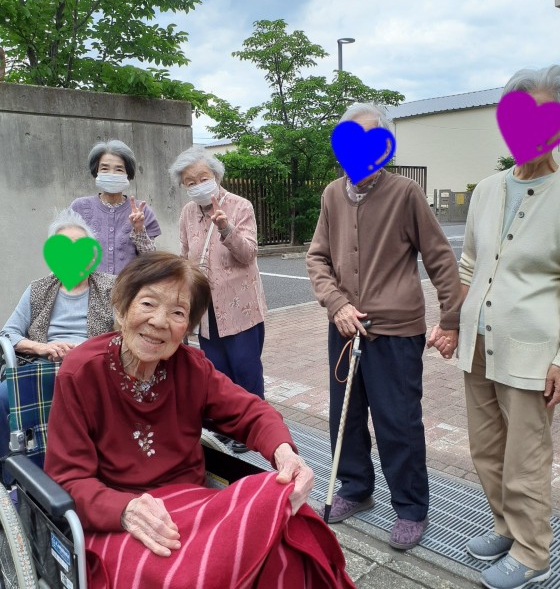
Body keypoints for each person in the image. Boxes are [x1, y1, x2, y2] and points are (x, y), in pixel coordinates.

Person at [44, 252, 354, 588]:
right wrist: (125, 509)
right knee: (180, 578)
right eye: (148, 304)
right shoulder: (81, 372)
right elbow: (68, 478)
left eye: (177, 312)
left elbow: (250, 412)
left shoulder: (192, 367)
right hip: (119, 517)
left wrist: (285, 453)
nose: (159, 321)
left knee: (285, 539)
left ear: (187, 328)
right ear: (121, 308)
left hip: (192, 505)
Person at [453, 65, 560, 589]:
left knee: (525, 458)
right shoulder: (488, 189)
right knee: (486, 449)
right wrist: (452, 323)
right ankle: (507, 528)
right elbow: (469, 265)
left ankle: (533, 553)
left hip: (533, 350)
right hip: (477, 343)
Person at [306, 103, 462, 550]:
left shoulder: (405, 193)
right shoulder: (332, 195)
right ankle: (355, 487)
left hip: (396, 329)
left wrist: (450, 318)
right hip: (344, 326)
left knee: (398, 421)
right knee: (346, 414)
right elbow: (317, 257)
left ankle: (411, 508)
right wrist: (336, 303)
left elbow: (439, 257)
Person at [0, 208, 115, 478]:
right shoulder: (38, 289)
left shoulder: (112, 287)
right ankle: (11, 475)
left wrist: (86, 350)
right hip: (43, 365)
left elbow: (124, 332)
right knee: (3, 397)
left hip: (93, 366)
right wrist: (43, 347)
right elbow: (8, 333)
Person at [170, 146, 268, 453]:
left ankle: (253, 428)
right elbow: (185, 254)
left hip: (240, 306)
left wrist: (226, 227)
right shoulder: (187, 213)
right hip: (205, 309)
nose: (197, 185)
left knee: (245, 370)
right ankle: (225, 427)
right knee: (217, 373)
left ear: (216, 175)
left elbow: (248, 254)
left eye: (203, 177)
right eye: (190, 182)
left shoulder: (240, 206)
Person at [70, 139, 161, 275]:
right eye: (105, 169)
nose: (111, 174)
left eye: (119, 169)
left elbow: (150, 260)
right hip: (89, 286)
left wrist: (139, 230)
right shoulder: (79, 207)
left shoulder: (142, 210)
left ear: (128, 174)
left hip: (128, 285)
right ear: (96, 171)